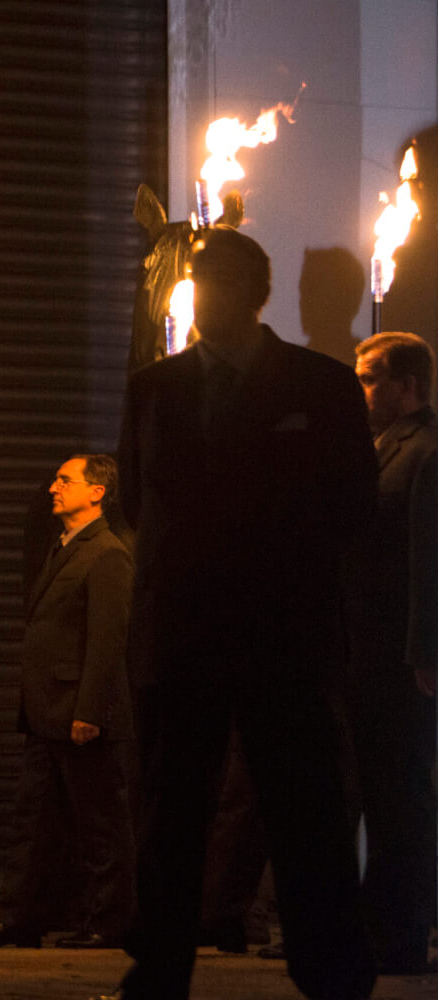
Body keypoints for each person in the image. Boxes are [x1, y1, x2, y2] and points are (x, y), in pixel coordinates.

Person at [99, 228, 378, 1000]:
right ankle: (158, 971)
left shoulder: (321, 387)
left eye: (216, 279)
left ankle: (331, 970)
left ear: (254, 294)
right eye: (197, 279)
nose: (202, 293)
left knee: (304, 810)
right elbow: (136, 501)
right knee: (170, 814)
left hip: (282, 639)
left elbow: (352, 507)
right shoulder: (155, 388)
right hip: (183, 637)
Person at [0, 454, 135, 951]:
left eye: (65, 480)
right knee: (33, 824)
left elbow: (107, 641)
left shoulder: (107, 553)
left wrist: (90, 710)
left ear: (98, 492)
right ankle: (18, 919)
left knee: (101, 825)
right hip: (45, 712)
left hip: (79, 714)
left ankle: (110, 920)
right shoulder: (62, 547)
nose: (53, 488)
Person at [347, 331, 438, 974]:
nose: (363, 389)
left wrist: (424, 653)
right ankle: (380, 928)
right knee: (380, 794)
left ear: (407, 386)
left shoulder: (427, 453)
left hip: (400, 661)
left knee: (403, 799)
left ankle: (402, 935)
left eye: (372, 377)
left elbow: (428, 565)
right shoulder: (381, 448)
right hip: (366, 655)